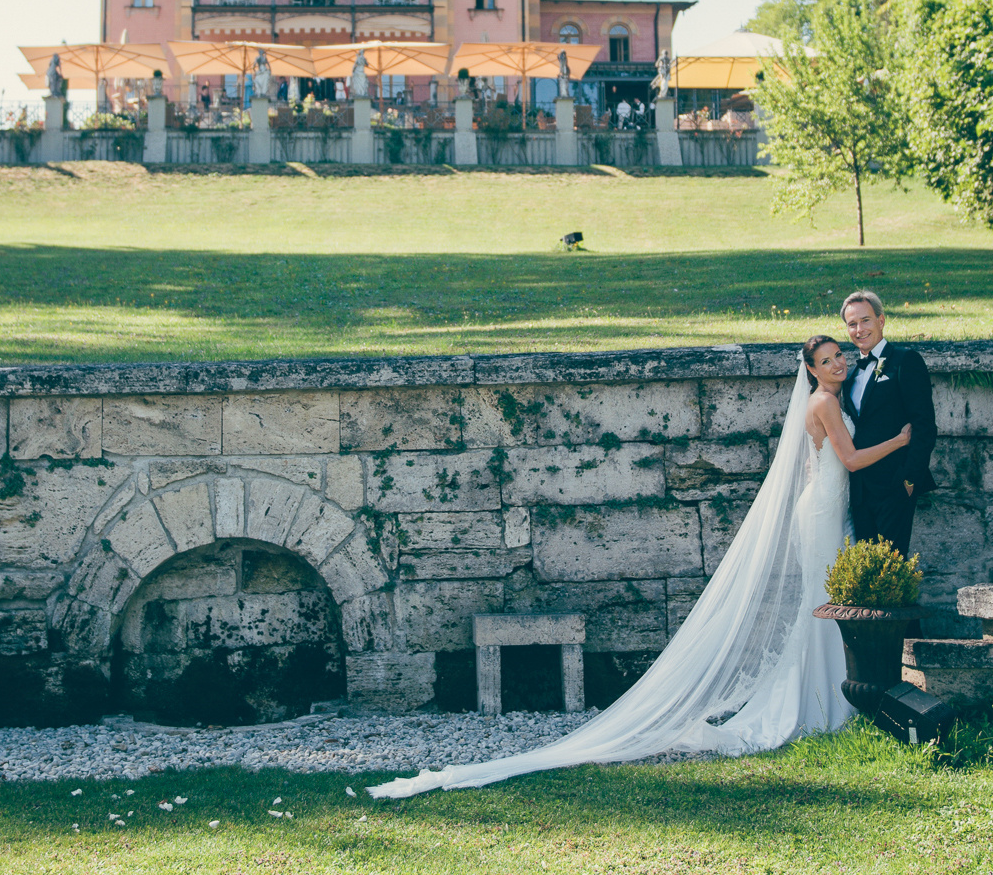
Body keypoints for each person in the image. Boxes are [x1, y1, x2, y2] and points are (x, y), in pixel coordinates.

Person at [367, 334, 911, 799]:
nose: (839, 363)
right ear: (812, 371)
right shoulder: (822, 403)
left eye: (841, 356)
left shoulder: (835, 398)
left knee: (827, 603)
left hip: (831, 508)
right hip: (821, 511)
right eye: (828, 360)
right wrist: (901, 442)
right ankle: (821, 702)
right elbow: (852, 459)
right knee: (823, 604)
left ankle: (832, 695)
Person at [839, 291, 937, 557]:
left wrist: (908, 482)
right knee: (868, 573)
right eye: (852, 324)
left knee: (892, 570)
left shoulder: (906, 362)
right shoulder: (848, 375)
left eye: (866, 320)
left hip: (895, 487)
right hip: (860, 490)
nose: (859, 329)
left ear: (881, 321)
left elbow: (925, 427)